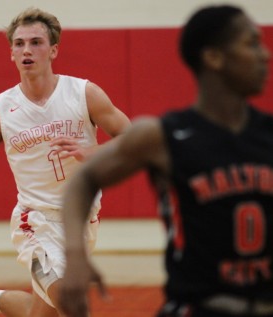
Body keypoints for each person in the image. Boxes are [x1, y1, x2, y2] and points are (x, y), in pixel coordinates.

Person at [59, 4, 272, 317]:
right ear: (213, 58)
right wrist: (76, 255)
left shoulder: (268, 133)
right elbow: (83, 180)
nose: (264, 55)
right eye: (251, 44)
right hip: (197, 308)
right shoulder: (163, 135)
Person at [0, 7, 131, 317]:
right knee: (72, 306)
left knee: (40, 313)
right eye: (19, 44)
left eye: (36, 42)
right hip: (36, 222)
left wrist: (93, 152)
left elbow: (134, 140)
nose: (27, 50)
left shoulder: (84, 94)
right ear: (11, 53)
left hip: (82, 220)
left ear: (53, 50)